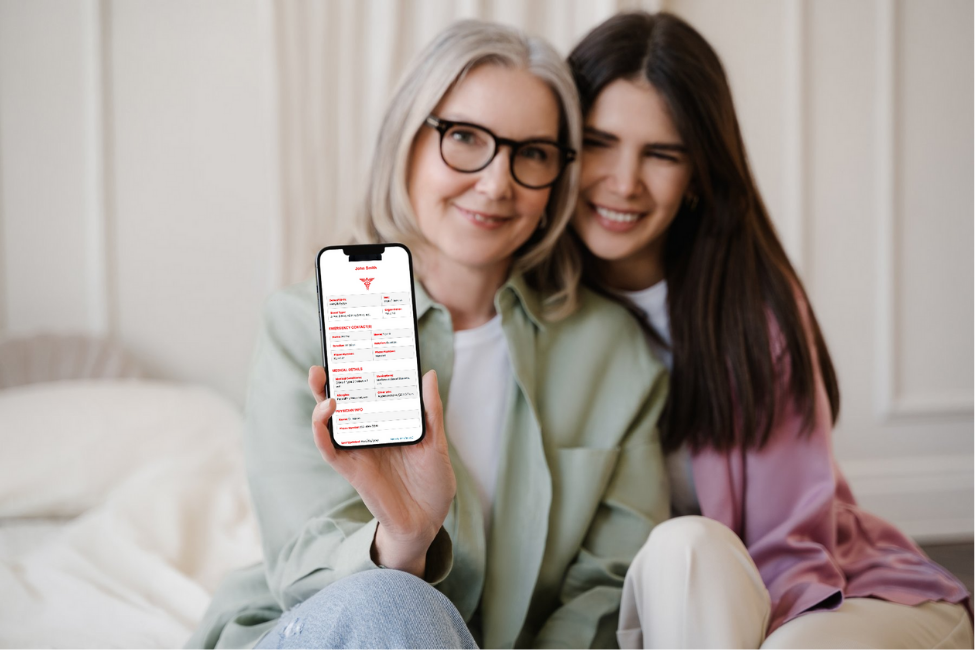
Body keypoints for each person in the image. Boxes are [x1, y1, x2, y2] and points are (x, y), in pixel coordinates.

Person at [186, 19, 670, 650]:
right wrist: (405, 540)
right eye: (465, 138)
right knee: (392, 602)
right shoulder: (305, 326)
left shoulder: (610, 351)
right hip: (321, 631)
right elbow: (302, 573)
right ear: (407, 141)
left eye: (532, 154)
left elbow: (609, 588)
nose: (497, 183)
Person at [566, 11, 973, 649]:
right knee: (681, 547)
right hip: (682, 600)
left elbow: (793, 550)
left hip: (837, 596)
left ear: (698, 170)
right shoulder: (539, 311)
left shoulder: (750, 308)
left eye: (662, 153)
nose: (623, 181)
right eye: (599, 141)